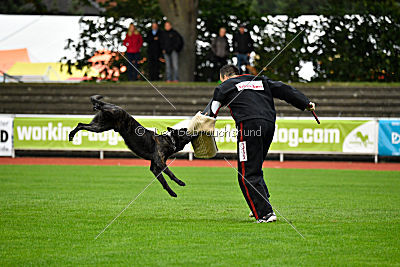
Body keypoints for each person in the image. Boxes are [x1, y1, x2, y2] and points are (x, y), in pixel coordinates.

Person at [202, 65, 316, 223]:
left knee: (247, 172)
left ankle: (265, 213)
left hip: (249, 126)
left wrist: (204, 126)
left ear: (224, 77)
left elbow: (212, 109)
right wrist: (305, 103)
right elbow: (284, 89)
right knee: (255, 166)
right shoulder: (260, 80)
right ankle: (261, 203)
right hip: (269, 125)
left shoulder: (225, 86)